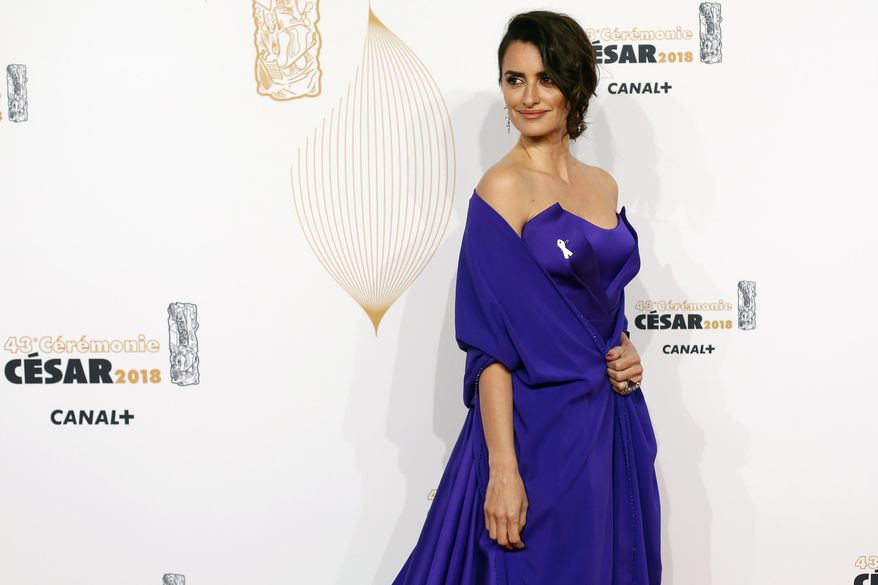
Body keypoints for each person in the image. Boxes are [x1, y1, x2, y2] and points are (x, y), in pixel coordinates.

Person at [392, 10, 661, 585]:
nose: (529, 97)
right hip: (537, 437)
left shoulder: (603, 185)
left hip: (612, 424)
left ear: (575, 84)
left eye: (546, 78)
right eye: (515, 80)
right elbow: (490, 346)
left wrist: (626, 348)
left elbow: (598, 306)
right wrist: (504, 470)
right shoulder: (502, 188)